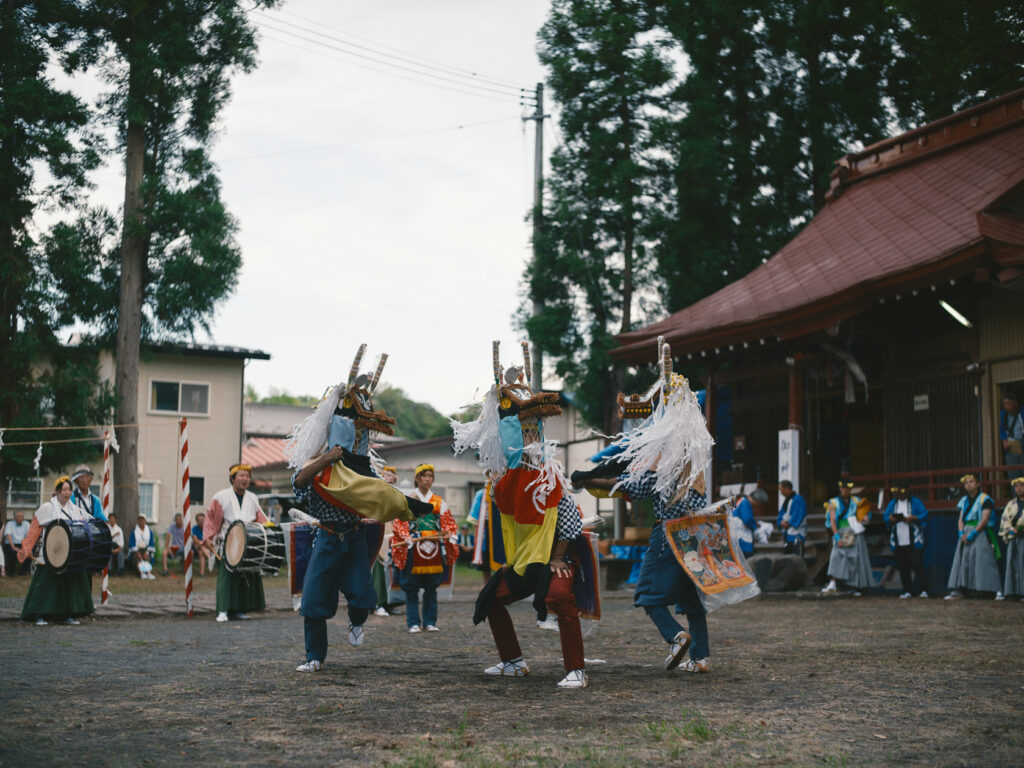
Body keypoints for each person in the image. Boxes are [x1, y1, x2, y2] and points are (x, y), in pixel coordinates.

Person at [454, 340, 595, 689]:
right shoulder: (500, 481)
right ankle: (513, 662)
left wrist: (558, 556)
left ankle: (576, 669)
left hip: (552, 557)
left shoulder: (550, 473)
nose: (528, 435)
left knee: (560, 598)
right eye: (522, 429)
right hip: (522, 561)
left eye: (532, 429)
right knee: (489, 599)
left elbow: (569, 519)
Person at [283, 345, 434, 672]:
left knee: (363, 595)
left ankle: (356, 621)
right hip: (325, 538)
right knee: (313, 601)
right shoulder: (319, 465)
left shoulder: (365, 473)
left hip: (352, 539)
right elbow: (298, 482)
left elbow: (383, 498)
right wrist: (328, 457)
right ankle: (314, 657)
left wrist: (407, 503)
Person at [392, 464, 458, 633]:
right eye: (425, 476)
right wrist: (406, 536)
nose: (428, 479)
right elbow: (400, 521)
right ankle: (413, 622)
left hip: (434, 547)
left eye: (430, 476)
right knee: (411, 587)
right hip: (413, 545)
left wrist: (449, 534)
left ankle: (430, 621)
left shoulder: (438, 501)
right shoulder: (409, 499)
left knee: (431, 587)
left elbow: (448, 522)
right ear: (417, 478)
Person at [19, 476, 95, 625]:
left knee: (68, 585)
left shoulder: (74, 509)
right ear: (58, 491)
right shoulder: (47, 508)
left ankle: (67, 615)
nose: (67, 493)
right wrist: (26, 548)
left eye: (69, 490)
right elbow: (35, 528)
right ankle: (38, 615)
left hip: (68, 555)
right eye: (64, 490)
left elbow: (85, 524)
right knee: (46, 585)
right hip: (50, 553)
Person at [201, 464, 268, 622]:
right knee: (227, 577)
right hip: (227, 541)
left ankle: (238, 610)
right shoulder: (220, 496)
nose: (245, 479)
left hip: (248, 541)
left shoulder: (253, 497)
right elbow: (211, 518)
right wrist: (209, 538)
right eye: (241, 475)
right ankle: (223, 610)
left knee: (244, 576)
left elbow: (260, 518)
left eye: (247, 476)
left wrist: (268, 532)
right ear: (232, 478)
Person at [946, 474, 1002, 599]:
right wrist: (961, 533)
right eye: (966, 483)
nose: (969, 484)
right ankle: (962, 588)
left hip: (980, 531)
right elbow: (961, 519)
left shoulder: (985, 499)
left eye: (971, 481)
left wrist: (974, 533)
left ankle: (991, 589)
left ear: (978, 484)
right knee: (964, 559)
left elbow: (985, 518)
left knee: (984, 559)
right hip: (966, 531)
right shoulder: (964, 501)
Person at [821, 480, 872, 595]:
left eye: (848, 489)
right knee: (837, 555)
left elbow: (863, 514)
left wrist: (865, 518)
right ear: (840, 489)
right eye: (843, 488)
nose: (845, 490)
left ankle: (854, 585)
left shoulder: (857, 501)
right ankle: (832, 582)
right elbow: (833, 521)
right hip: (841, 530)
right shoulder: (833, 502)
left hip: (855, 530)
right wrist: (836, 536)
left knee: (855, 558)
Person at [883, 486, 929, 598]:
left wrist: (914, 518)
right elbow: (885, 517)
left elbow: (924, 514)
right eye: (898, 493)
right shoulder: (892, 504)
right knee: (903, 567)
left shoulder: (915, 502)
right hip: (898, 540)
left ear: (907, 492)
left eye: (903, 492)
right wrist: (890, 519)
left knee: (918, 566)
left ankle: (923, 590)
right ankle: (907, 590)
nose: (900, 495)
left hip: (913, 539)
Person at [999, 477, 1024, 599]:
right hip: (1014, 537)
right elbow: (1005, 520)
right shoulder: (1011, 504)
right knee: (1013, 564)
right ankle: (1013, 592)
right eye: (1017, 486)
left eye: (1022, 485)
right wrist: (1010, 529)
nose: (1019, 488)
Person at [776, 480, 807, 556]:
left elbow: (798, 515)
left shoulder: (798, 499)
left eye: (781, 489)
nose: (780, 492)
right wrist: (780, 522)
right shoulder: (786, 501)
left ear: (787, 488)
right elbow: (781, 515)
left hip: (797, 534)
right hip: (787, 535)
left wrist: (788, 523)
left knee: (797, 560)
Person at [3, 509, 32, 576]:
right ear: (14, 518)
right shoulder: (10, 524)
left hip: (22, 544)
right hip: (10, 544)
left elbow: (29, 537)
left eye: (22, 516)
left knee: (29, 552)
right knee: (13, 553)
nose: (20, 518)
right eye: (18, 516)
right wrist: (14, 547)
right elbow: (8, 535)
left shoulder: (26, 524)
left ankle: (22, 571)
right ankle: (11, 572)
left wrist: (25, 547)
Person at [1000, 393, 1024, 469]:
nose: (1006, 406)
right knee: (1012, 469)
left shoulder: (1022, 411)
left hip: (1021, 441)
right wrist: (1004, 440)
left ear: (1015, 404)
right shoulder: (1003, 414)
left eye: (1008, 403)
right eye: (1004, 404)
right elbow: (1002, 428)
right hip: (1010, 443)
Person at [128, 513, 156, 579]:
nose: (140, 521)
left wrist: (147, 552)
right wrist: (137, 552)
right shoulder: (134, 532)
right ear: (137, 521)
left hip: (146, 549)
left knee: (147, 557)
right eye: (139, 519)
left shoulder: (149, 532)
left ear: (145, 521)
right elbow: (132, 543)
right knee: (138, 558)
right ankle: (142, 573)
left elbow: (151, 543)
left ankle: (149, 573)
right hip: (137, 549)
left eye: (142, 519)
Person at [731, 492, 758, 557]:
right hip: (742, 540)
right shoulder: (745, 502)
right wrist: (755, 526)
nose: (756, 505)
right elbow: (747, 519)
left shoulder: (739, 502)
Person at [108, 512, 125, 577]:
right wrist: (114, 535)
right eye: (110, 519)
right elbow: (108, 539)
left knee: (120, 553)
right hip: (110, 546)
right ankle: (109, 571)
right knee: (108, 554)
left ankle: (120, 571)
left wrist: (118, 549)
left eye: (113, 519)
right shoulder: (107, 528)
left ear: (115, 520)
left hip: (117, 546)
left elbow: (121, 542)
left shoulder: (119, 529)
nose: (112, 520)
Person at [191, 512, 207, 576]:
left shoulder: (207, 528)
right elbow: (195, 540)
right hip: (196, 547)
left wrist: (200, 542)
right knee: (192, 551)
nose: (201, 521)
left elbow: (209, 540)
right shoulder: (194, 528)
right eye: (199, 520)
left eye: (202, 520)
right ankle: (189, 570)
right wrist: (201, 542)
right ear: (197, 521)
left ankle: (202, 572)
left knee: (201, 552)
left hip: (204, 548)